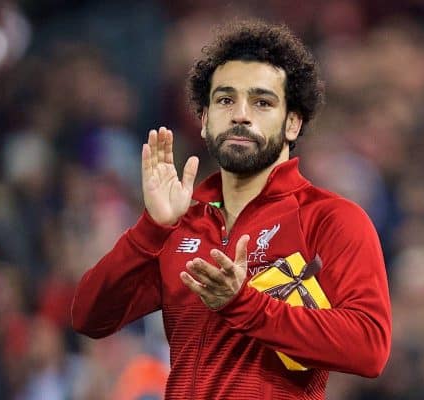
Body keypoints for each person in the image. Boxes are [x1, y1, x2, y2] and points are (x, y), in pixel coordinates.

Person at [72, 19, 391, 400]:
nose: (241, 114)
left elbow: (369, 348)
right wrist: (151, 228)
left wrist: (244, 305)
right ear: (205, 121)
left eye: (262, 102)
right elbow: (89, 317)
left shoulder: (330, 219)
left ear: (293, 122)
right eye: (225, 100)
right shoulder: (179, 227)